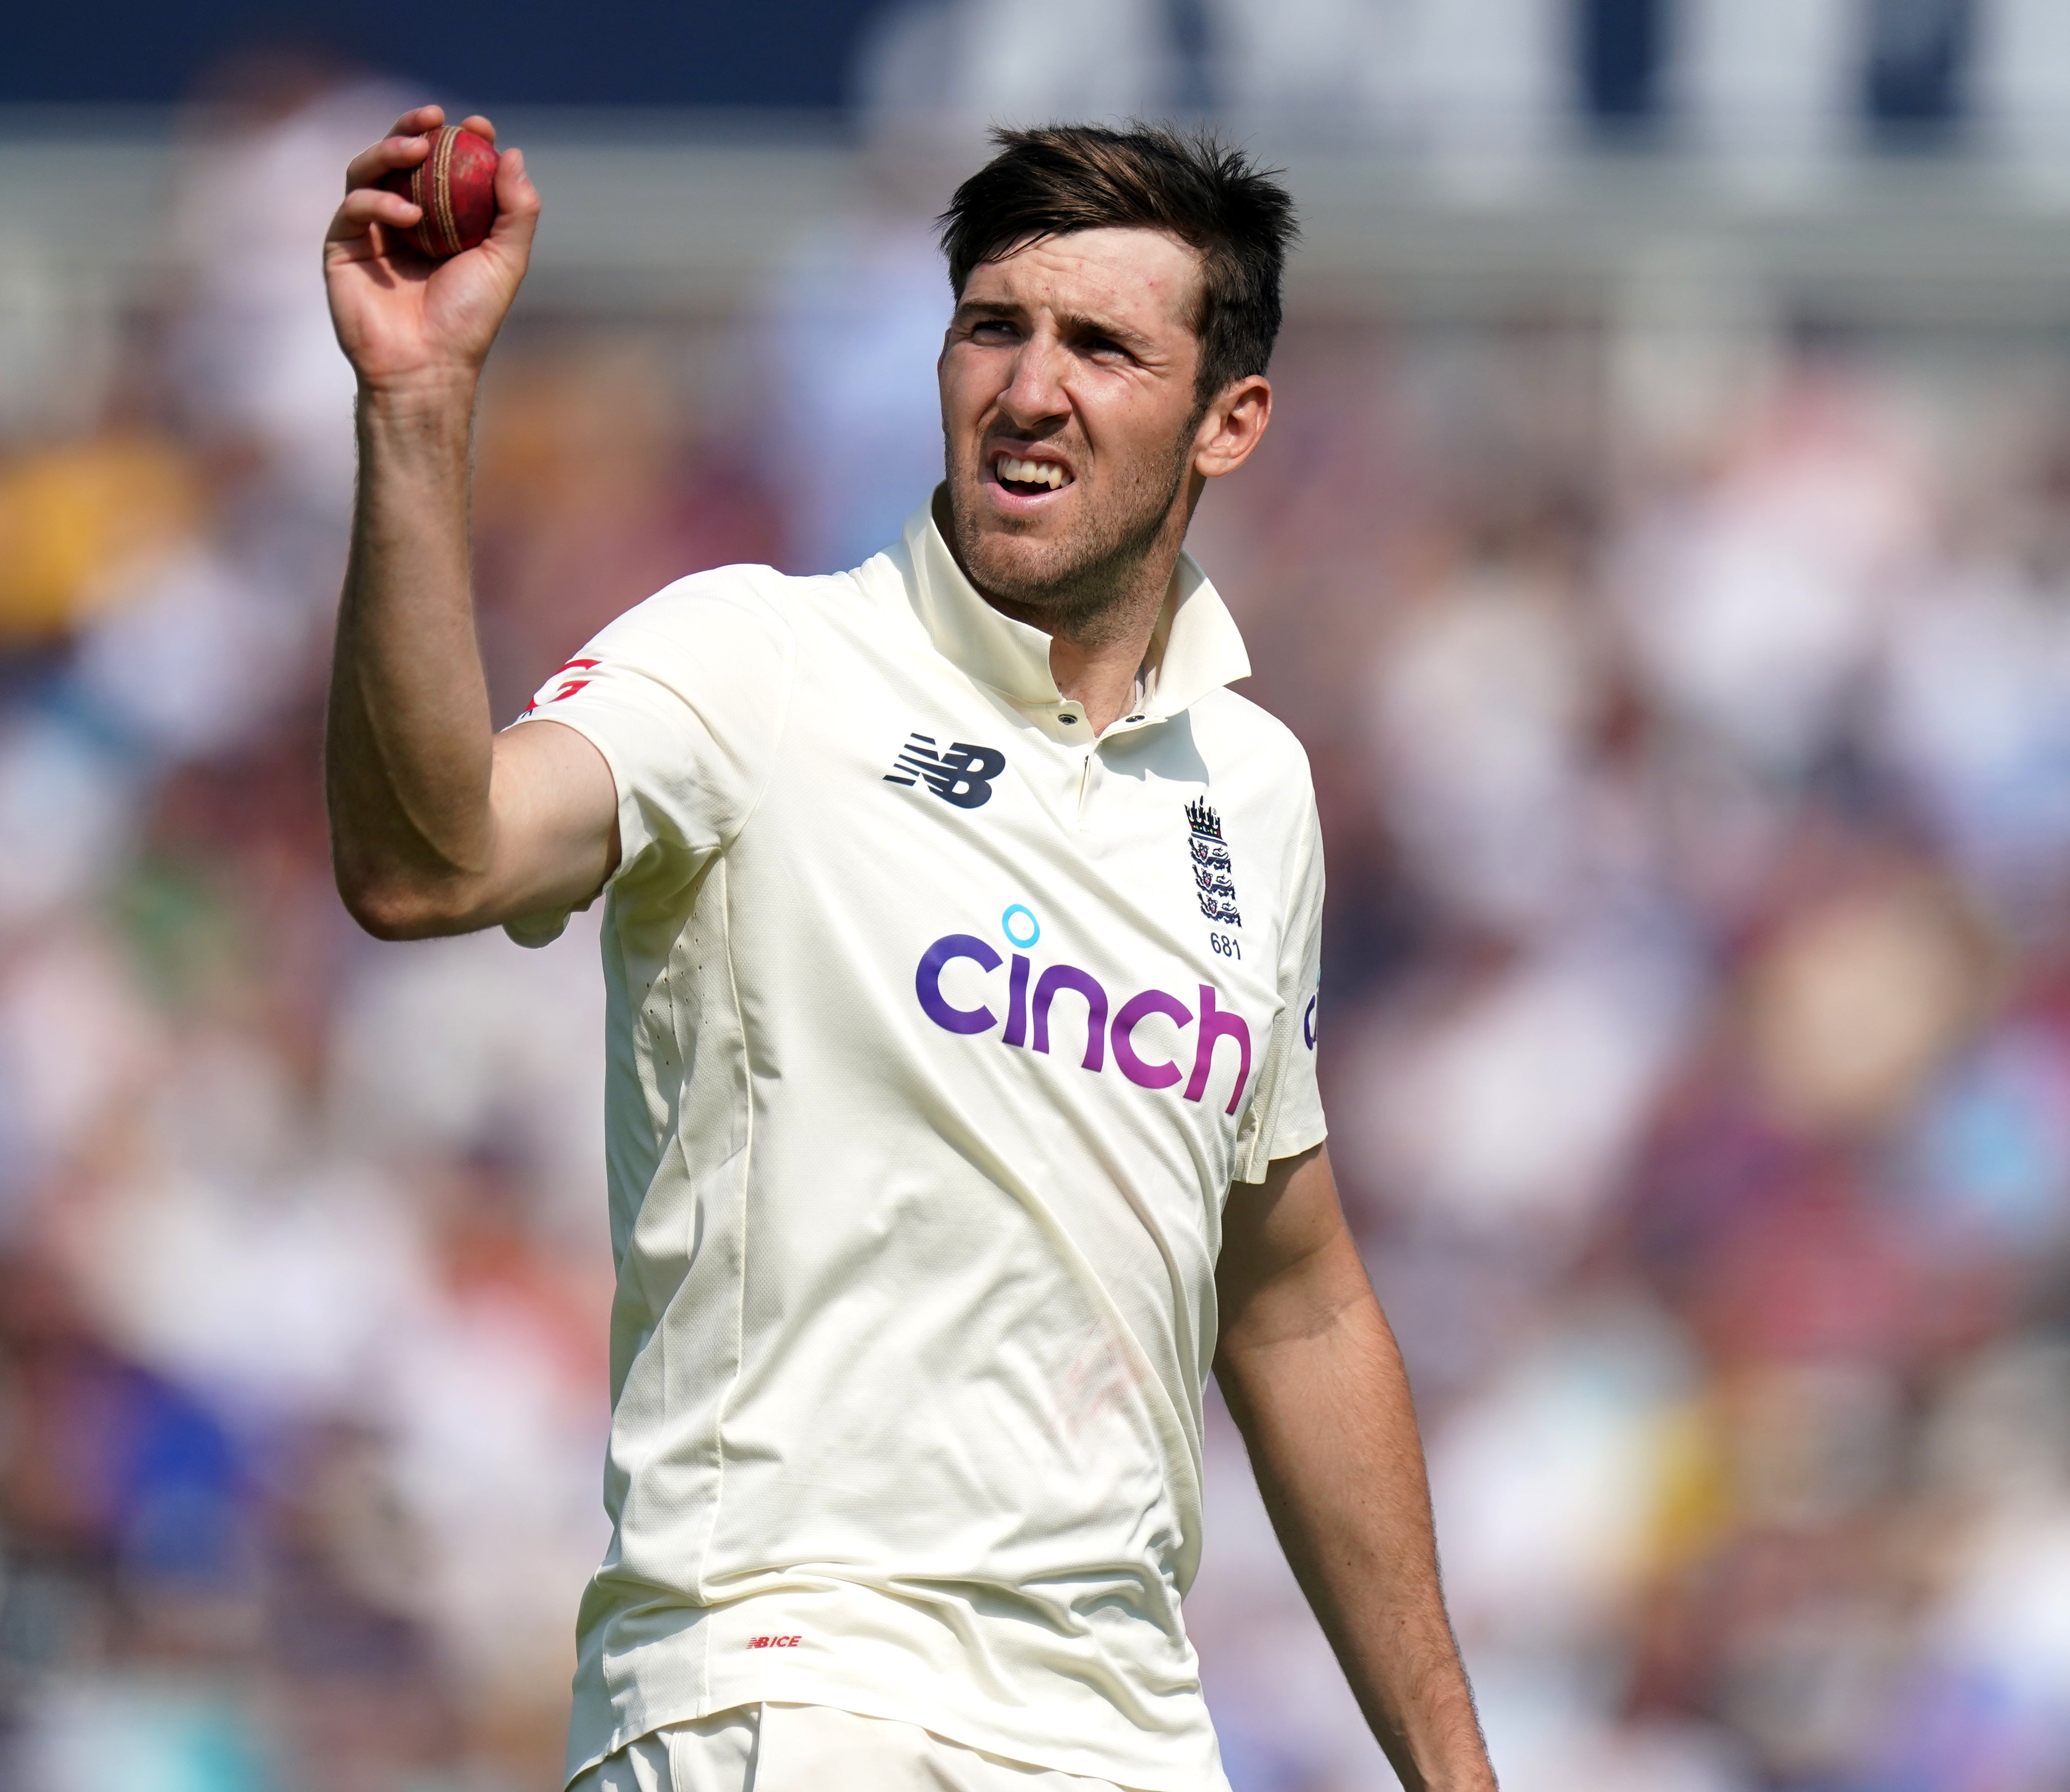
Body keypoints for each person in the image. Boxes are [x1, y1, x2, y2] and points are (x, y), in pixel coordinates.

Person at [323, 108, 1496, 1792]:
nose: (1029, 390)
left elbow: (1290, 1294)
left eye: (1100, 345)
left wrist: (1454, 1774)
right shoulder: (757, 659)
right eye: (991, 327)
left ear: (1226, 422)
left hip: (1128, 1734)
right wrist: (419, 410)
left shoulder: (1253, 788)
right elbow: (427, 863)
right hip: (786, 1680)